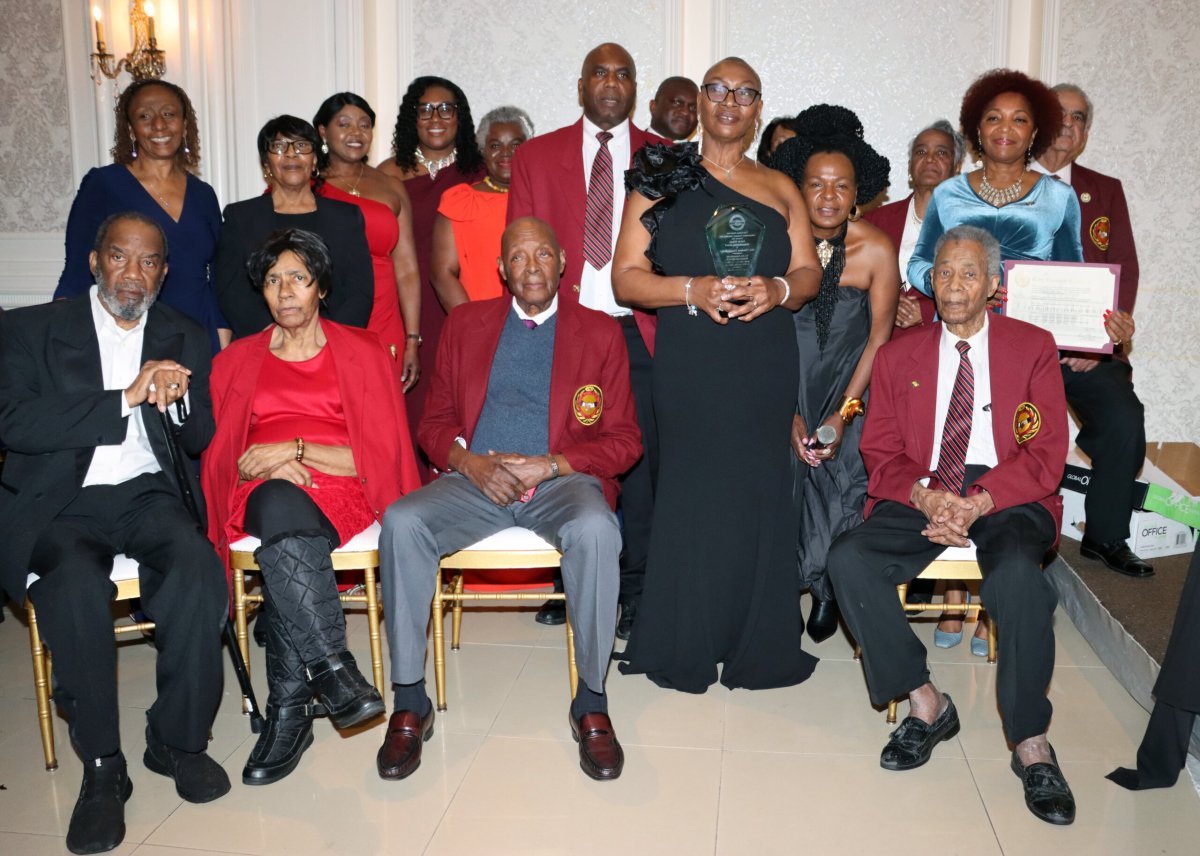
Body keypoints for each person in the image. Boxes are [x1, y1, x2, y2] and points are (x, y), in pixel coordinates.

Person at [377, 217, 641, 782]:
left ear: (563, 261)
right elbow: (435, 423)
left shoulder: (599, 333)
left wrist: (551, 464)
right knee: (402, 522)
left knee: (598, 531)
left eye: (542, 255)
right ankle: (409, 699)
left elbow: (624, 442)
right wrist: (470, 463)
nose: (531, 268)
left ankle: (591, 698)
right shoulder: (467, 324)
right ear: (500, 270)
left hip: (560, 482)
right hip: (478, 480)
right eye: (518, 258)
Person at [828, 225, 1075, 826]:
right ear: (929, 280)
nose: (954, 285)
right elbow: (881, 452)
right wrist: (926, 496)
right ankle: (925, 702)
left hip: (1009, 490)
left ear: (994, 284)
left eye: (969, 273)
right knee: (848, 559)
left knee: (1019, 577)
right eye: (943, 272)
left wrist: (979, 501)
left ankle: (1031, 743)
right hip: (926, 482)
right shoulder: (898, 354)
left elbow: (1044, 453)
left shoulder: (1033, 346)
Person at [0, 212, 230, 854]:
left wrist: (179, 400)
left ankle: (176, 741)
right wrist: (123, 398)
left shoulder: (184, 334)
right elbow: (14, 423)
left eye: (150, 261)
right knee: (71, 588)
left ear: (164, 270)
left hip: (147, 493)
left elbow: (197, 438)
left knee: (196, 568)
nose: (135, 272)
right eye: (121, 257)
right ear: (96, 261)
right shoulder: (29, 329)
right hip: (62, 500)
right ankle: (103, 766)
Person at [613, 57, 823, 692]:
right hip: (690, 362)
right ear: (699, 102)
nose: (729, 101)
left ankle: (756, 639)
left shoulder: (782, 187)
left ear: (760, 108)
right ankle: (686, 637)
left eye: (745, 93)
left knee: (759, 498)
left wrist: (780, 286)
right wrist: (691, 289)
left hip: (764, 365)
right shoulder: (661, 176)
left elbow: (811, 273)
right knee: (693, 495)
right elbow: (625, 277)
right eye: (717, 90)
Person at [202, 229, 421, 786]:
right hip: (261, 488)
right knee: (278, 500)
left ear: (320, 286)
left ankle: (291, 709)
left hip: (342, 486)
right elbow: (228, 455)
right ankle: (334, 669)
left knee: (286, 534)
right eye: (273, 280)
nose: (285, 291)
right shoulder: (234, 362)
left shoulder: (365, 351)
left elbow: (378, 454)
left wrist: (295, 450)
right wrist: (266, 463)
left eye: (298, 277)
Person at [507, 42, 664, 636]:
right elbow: (519, 247)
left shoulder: (666, 157)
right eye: (600, 72)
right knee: (560, 453)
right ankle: (565, 582)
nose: (611, 82)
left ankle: (638, 590)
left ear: (633, 87)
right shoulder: (536, 155)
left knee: (641, 462)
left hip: (639, 332)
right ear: (581, 84)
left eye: (624, 73)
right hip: (561, 331)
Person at [771, 104, 898, 642]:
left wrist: (843, 414)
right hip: (782, 388)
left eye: (840, 186)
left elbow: (879, 338)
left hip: (850, 392)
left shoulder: (875, 249)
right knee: (778, 492)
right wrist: (789, 412)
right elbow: (761, 336)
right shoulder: (776, 244)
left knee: (842, 487)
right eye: (815, 185)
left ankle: (827, 591)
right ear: (797, 188)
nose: (827, 196)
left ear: (858, 191)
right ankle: (777, 596)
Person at [1033, 82, 1151, 579]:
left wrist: (1101, 346)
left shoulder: (1104, 190)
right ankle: (1023, 536)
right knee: (1020, 432)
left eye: (1078, 117)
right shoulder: (1006, 182)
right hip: (1023, 351)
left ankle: (1105, 536)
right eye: (1058, 113)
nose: (1068, 123)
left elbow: (1123, 267)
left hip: (1088, 353)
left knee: (1125, 419)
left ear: (1085, 132)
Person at [55, 79, 228, 352]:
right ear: (131, 130)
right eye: (144, 116)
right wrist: (60, 337)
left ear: (184, 125)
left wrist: (222, 335)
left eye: (169, 114)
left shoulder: (203, 193)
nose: (159, 125)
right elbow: (77, 268)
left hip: (198, 329)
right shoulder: (104, 184)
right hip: (130, 327)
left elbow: (220, 274)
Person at [378, 77, 486, 472]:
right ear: (412, 118)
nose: (436, 117)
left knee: (462, 402)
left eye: (446, 108)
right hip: (407, 309)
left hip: (463, 305)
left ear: (461, 117)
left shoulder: (481, 172)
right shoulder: (387, 174)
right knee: (410, 408)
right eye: (425, 109)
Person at [214, 115, 373, 339]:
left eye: (302, 146)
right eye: (278, 146)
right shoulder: (240, 217)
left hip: (334, 343)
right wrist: (277, 338)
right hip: (265, 343)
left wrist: (323, 338)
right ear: (265, 162)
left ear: (315, 159)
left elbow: (360, 291)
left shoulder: (346, 216)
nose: (291, 154)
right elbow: (231, 291)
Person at [314, 92, 422, 389]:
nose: (356, 133)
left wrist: (413, 338)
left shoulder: (391, 186)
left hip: (384, 317)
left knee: (381, 409)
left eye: (364, 125)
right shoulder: (307, 187)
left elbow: (408, 269)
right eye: (344, 124)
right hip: (326, 313)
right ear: (323, 131)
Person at [864, 119, 965, 335]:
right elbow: (853, 282)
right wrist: (887, 301)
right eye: (921, 152)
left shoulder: (971, 227)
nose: (929, 159)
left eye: (941, 153)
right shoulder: (875, 221)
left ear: (956, 168)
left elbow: (982, 288)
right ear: (910, 167)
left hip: (940, 342)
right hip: (879, 344)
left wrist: (929, 310)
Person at [431, 106, 534, 311]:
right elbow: (442, 273)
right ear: (482, 149)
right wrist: (473, 325)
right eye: (495, 145)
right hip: (478, 320)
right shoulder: (460, 200)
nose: (506, 154)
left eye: (515, 145)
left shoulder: (542, 197)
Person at [648, 76, 699, 140]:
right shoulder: (632, 146)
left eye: (693, 107)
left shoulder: (704, 149)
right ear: (653, 106)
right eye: (676, 103)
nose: (685, 112)